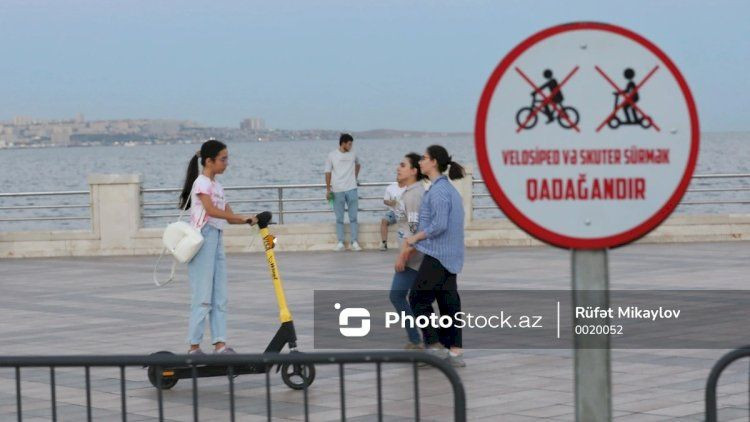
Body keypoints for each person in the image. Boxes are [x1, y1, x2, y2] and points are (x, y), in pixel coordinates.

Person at [178, 139, 257, 356]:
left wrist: (250, 219)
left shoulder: (218, 187)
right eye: (223, 159)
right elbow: (211, 211)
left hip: (217, 238)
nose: (226, 163)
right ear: (209, 161)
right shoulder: (201, 183)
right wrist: (240, 217)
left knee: (220, 296)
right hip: (203, 239)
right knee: (202, 296)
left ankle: (220, 345)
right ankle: (194, 347)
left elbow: (229, 217)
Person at [403, 145, 466, 367]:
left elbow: (439, 225)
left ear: (434, 162)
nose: (421, 161)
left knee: (417, 299)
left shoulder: (439, 191)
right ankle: (454, 353)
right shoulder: (447, 189)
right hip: (450, 255)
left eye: (425, 158)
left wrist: (415, 238)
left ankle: (435, 347)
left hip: (439, 255)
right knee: (448, 302)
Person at [389, 153, 426, 348]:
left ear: (414, 171)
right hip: (413, 256)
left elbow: (415, 231)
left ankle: (418, 341)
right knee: (417, 300)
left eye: (403, 165)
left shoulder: (413, 195)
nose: (398, 168)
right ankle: (421, 340)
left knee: (397, 296)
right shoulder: (411, 192)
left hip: (414, 258)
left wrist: (403, 256)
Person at [325, 133, 362, 251]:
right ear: (343, 143)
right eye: (349, 144)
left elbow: (358, 164)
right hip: (337, 190)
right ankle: (340, 242)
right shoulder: (332, 155)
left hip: (352, 188)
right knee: (339, 218)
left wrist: (355, 177)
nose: (351, 146)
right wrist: (328, 189)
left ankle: (354, 242)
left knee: (353, 217)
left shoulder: (353, 154)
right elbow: (327, 172)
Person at [380, 180, 406, 251]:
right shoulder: (390, 187)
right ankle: (384, 243)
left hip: (405, 212)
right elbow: (385, 201)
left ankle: (407, 244)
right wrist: (390, 203)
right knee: (384, 221)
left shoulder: (409, 187)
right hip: (393, 212)